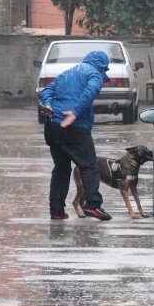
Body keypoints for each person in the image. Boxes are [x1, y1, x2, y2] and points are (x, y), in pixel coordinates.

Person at [40, 51, 112, 221]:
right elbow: (90, 91)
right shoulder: (94, 74)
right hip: (74, 126)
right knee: (89, 166)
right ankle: (93, 205)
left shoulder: (67, 73)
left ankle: (57, 210)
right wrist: (75, 112)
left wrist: (48, 105)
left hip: (53, 126)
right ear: (102, 66)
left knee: (61, 169)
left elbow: (47, 91)